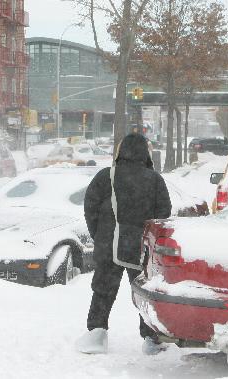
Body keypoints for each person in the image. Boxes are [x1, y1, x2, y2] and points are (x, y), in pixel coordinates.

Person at [75, 133, 172, 355]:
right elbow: (163, 214)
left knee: (103, 290)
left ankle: (96, 334)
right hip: (140, 248)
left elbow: (90, 209)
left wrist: (100, 235)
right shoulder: (154, 180)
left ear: (121, 152)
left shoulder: (105, 176)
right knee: (143, 292)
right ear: (145, 153)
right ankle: (151, 339)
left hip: (110, 244)